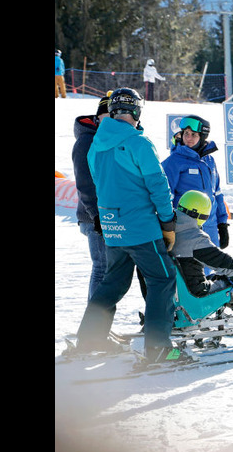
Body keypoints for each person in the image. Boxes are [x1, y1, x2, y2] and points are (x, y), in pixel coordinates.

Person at [74, 88, 181, 363]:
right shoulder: (138, 142)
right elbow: (157, 184)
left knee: (113, 282)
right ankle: (158, 348)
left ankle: (89, 339)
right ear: (136, 111)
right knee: (162, 278)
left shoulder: (97, 142)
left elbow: (98, 182)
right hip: (140, 226)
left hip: (112, 227)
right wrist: (167, 221)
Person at [162, 115, 230, 248]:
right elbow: (164, 196)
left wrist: (222, 224)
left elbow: (217, 193)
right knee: (191, 268)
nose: (188, 138)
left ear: (203, 137)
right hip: (185, 228)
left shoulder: (209, 161)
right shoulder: (173, 162)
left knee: (210, 266)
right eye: (186, 133)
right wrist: (167, 227)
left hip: (210, 227)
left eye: (194, 134)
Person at [72, 93, 113, 302]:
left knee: (108, 271)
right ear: (97, 118)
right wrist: (96, 215)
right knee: (102, 268)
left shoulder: (106, 140)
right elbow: (84, 183)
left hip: (108, 216)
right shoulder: (87, 141)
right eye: (105, 117)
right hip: (94, 216)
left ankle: (100, 325)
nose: (109, 122)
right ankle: (94, 328)